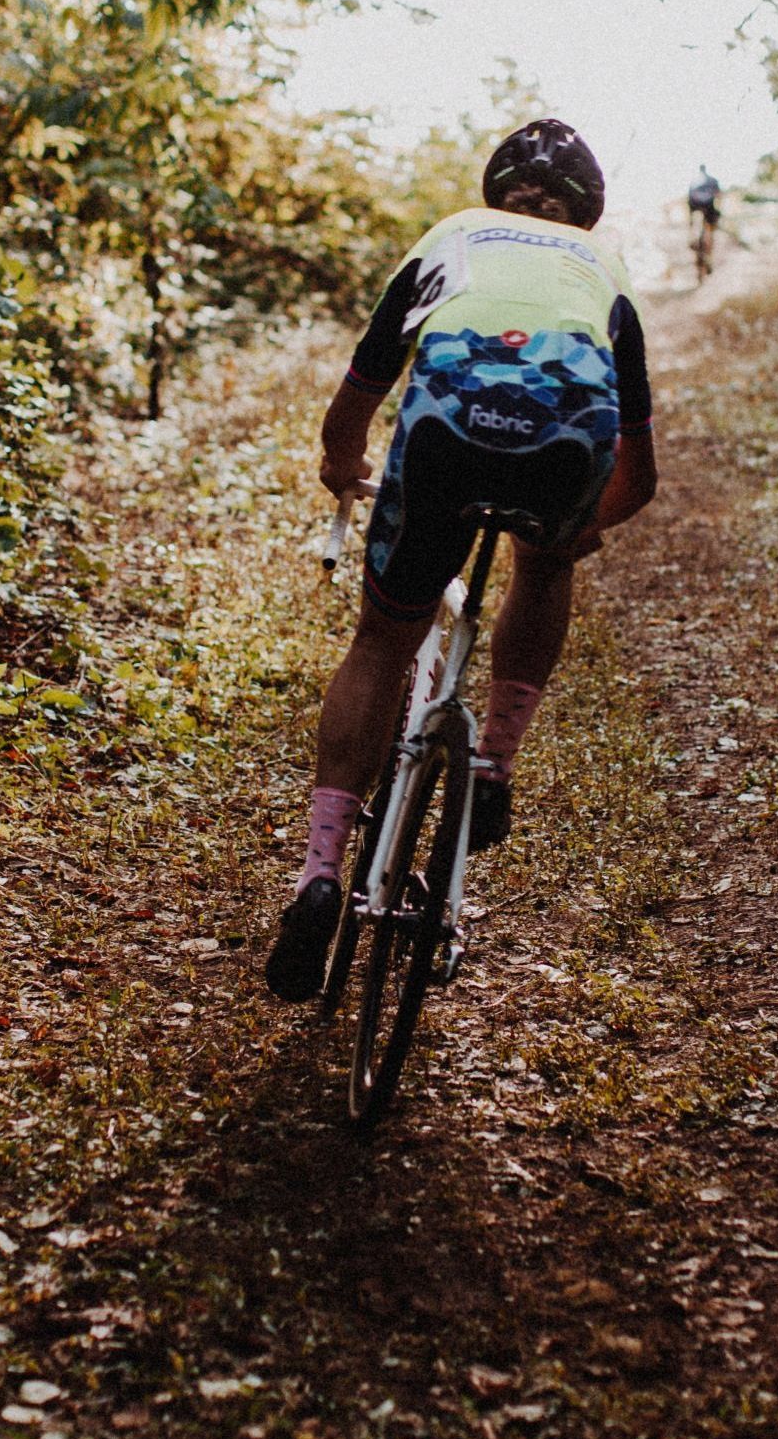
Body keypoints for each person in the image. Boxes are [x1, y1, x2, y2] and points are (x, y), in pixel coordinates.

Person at [264, 119, 660, 1001]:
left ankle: (322, 873)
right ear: (584, 211)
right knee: (544, 565)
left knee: (381, 642)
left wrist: (341, 463)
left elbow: (361, 389)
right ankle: (493, 767)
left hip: (441, 432)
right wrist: (574, 530)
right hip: (565, 441)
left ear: (497, 193)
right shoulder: (604, 269)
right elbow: (640, 479)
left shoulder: (453, 235)